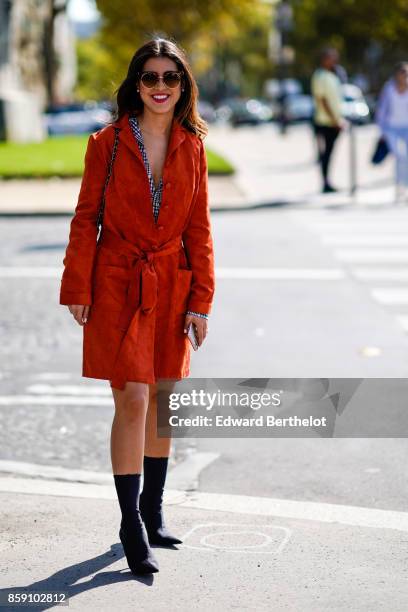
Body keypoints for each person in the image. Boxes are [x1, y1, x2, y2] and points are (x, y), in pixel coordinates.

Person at [59, 37, 215, 575]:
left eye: (171, 77)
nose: (160, 87)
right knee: (132, 400)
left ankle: (154, 509)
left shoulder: (192, 146)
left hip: (172, 281)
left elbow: (200, 229)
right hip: (119, 281)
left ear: (183, 86)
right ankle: (130, 522)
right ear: (135, 84)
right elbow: (86, 219)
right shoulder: (105, 143)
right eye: (150, 77)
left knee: (164, 398)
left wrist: (202, 301)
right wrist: (77, 286)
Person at [311, 47, 346, 193]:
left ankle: (327, 181)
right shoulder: (320, 76)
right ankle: (325, 183)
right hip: (325, 121)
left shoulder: (333, 75)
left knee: (329, 153)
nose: (333, 61)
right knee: (325, 154)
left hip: (334, 120)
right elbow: (322, 100)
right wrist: (334, 120)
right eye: (330, 58)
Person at [376, 62, 408, 201]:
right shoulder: (389, 89)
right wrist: (382, 131)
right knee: (400, 156)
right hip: (392, 128)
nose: (404, 76)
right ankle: (399, 186)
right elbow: (381, 111)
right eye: (402, 72)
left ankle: (405, 185)